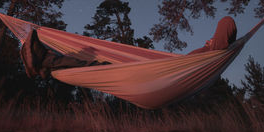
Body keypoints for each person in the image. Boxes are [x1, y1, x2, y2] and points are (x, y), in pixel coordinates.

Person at [20, 16, 237, 78]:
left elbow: (225, 26)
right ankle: (44, 63)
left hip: (160, 72)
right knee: (94, 64)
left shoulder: (210, 54)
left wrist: (213, 46)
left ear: (221, 40)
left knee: (95, 64)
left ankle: (44, 60)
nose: (209, 41)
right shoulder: (201, 58)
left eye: (214, 39)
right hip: (162, 68)